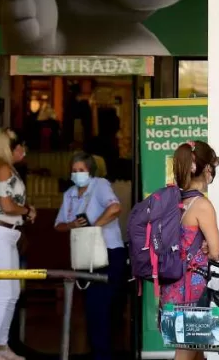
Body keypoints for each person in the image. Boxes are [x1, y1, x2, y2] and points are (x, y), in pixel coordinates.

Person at [53, 152, 124, 360]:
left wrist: (93, 227)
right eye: (74, 171)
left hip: (109, 253)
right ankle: (100, 353)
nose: (77, 174)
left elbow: (115, 208)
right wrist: (73, 225)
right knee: (94, 311)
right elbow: (58, 225)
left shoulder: (100, 185)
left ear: (90, 171)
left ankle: (103, 355)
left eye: (81, 170)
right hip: (86, 256)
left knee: (101, 309)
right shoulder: (69, 194)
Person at [158, 141, 219, 360]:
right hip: (192, 291)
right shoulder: (201, 205)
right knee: (185, 351)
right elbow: (216, 251)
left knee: (196, 351)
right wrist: (207, 247)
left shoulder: (171, 200)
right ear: (206, 169)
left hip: (171, 286)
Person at [0, 128, 34, 360]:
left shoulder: (7, 169)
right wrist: (28, 210)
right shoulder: (1, 168)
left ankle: (1, 347)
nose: (24, 151)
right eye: (20, 146)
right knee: (2, 293)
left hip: (6, 234)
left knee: (11, 294)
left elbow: (10, 206)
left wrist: (24, 213)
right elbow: (7, 205)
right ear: (10, 148)